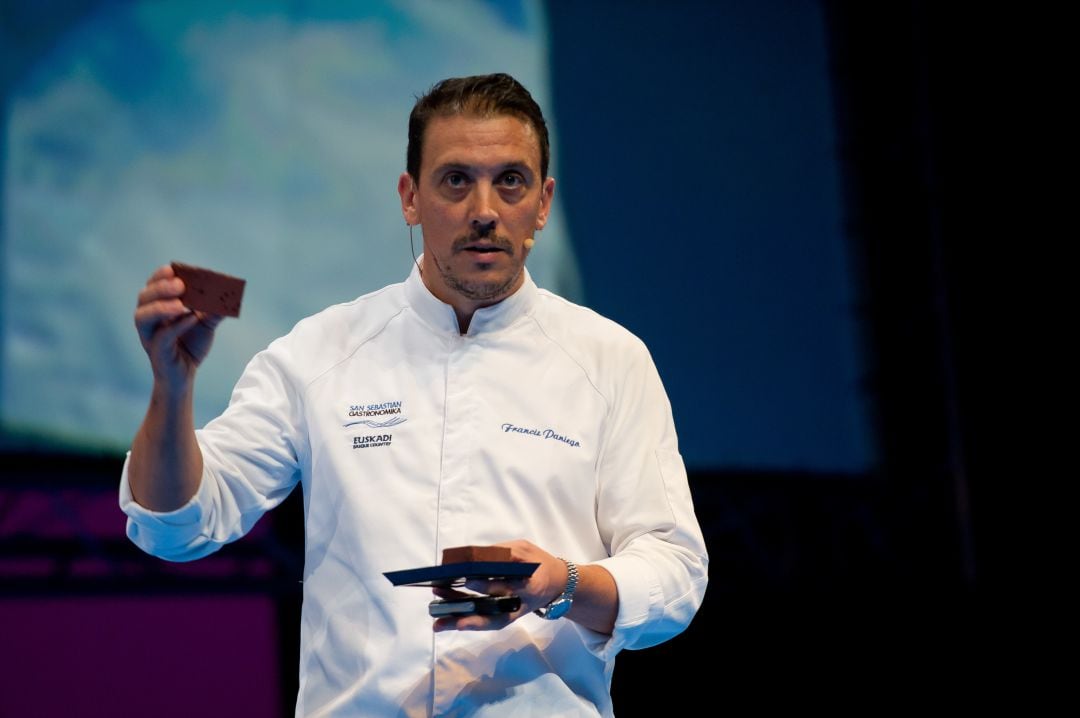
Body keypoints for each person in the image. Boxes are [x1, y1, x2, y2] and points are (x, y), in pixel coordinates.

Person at [121, 72, 708, 717]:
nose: (484, 209)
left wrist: (562, 583)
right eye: (456, 179)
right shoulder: (319, 354)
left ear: (542, 203)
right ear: (410, 197)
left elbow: (675, 574)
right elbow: (174, 528)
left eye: (509, 180)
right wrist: (170, 390)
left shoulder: (609, 360)